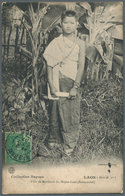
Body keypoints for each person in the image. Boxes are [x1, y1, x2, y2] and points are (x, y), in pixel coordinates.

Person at [43, 10, 85, 156]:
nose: (68, 25)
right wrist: (51, 83)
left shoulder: (80, 43)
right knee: (54, 109)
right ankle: (53, 139)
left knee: (71, 112)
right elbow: (49, 64)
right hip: (56, 79)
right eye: (66, 22)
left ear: (76, 25)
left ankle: (69, 143)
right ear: (61, 23)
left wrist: (75, 86)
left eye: (71, 23)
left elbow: (81, 66)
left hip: (71, 81)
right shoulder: (56, 42)